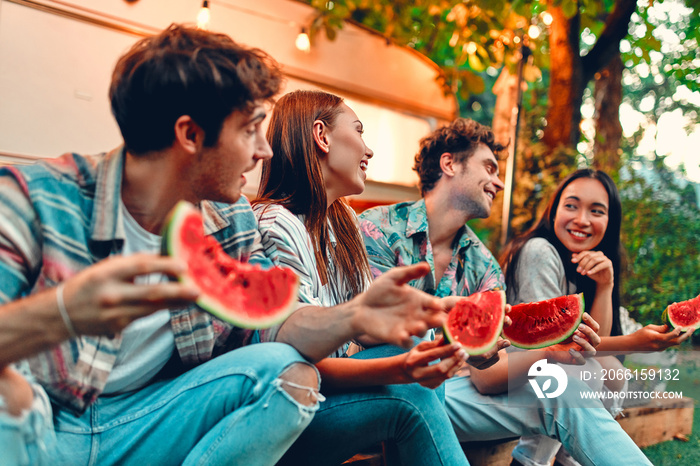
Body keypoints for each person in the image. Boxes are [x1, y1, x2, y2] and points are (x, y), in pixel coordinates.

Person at [0, 25, 448, 466]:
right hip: (41, 425)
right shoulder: (35, 198)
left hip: (153, 419)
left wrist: (353, 315)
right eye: (250, 130)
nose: (265, 151)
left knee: (287, 371)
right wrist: (61, 312)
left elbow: (279, 324)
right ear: (190, 135)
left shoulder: (230, 223)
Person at [359, 118, 653, 466]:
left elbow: (487, 377)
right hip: (382, 388)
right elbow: (369, 334)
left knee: (564, 390)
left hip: (451, 396)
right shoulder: (376, 228)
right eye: (489, 167)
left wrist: (552, 353)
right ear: (450, 163)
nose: (498, 182)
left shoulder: (484, 266)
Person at [253, 89, 504, 465]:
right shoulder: (276, 225)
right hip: (283, 409)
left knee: (417, 356)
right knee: (411, 395)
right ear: (322, 136)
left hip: (324, 400)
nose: (368, 150)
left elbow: (370, 329)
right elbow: (298, 365)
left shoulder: (343, 224)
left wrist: (442, 321)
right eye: (359, 131)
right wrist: (401, 368)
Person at [500, 168, 692, 466]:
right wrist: (635, 342)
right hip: (513, 366)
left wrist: (605, 285)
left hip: (551, 365)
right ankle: (528, 461)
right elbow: (553, 343)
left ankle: (568, 459)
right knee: (578, 373)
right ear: (553, 212)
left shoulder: (585, 261)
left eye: (596, 211)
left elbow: (594, 341)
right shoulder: (539, 250)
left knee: (611, 373)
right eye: (571, 205)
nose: (582, 220)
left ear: (609, 222)